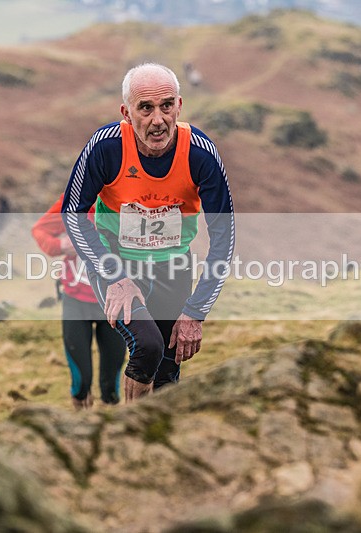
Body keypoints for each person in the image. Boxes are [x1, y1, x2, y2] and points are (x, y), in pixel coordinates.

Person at [61, 62, 235, 402]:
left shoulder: (201, 154)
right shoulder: (106, 146)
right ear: (126, 113)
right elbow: (73, 214)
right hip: (118, 262)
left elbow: (224, 237)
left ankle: (154, 432)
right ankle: (129, 430)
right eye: (145, 108)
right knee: (148, 347)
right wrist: (115, 277)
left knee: (168, 373)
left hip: (173, 265)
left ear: (179, 106)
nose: (158, 119)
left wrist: (196, 311)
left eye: (166, 106)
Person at [32, 194, 126, 409]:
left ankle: (110, 423)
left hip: (115, 300)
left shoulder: (127, 197)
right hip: (76, 301)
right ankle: (80, 422)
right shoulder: (74, 200)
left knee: (111, 386)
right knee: (81, 383)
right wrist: (60, 245)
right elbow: (39, 230)